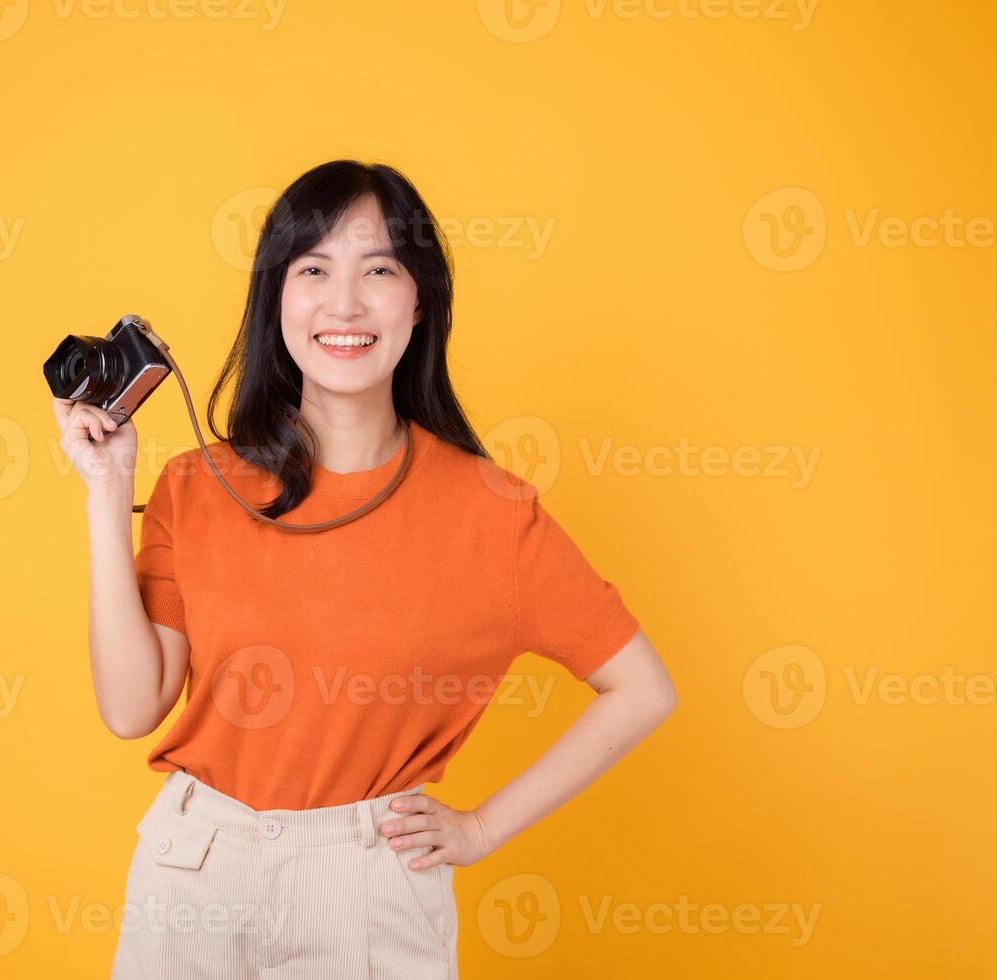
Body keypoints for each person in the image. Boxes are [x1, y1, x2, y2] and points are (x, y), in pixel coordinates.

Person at [53, 159, 677, 979]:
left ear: (420, 302)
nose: (343, 304)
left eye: (378, 269)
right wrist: (107, 492)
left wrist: (481, 830)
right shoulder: (195, 488)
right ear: (276, 298)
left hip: (368, 891)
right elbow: (133, 708)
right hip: (196, 875)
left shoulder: (491, 513)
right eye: (313, 269)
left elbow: (643, 690)